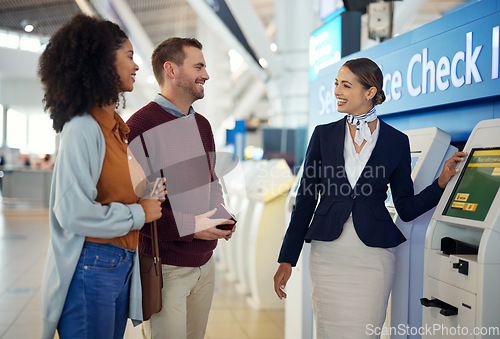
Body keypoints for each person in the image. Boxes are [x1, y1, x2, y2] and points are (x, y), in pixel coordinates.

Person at [273, 58, 467, 339]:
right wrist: (287, 259)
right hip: (328, 255)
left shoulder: (396, 141)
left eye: (346, 85)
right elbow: (305, 201)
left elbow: (406, 207)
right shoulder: (323, 135)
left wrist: (441, 182)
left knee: (368, 332)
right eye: (336, 84)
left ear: (370, 92)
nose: (337, 91)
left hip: (374, 256)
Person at [38, 14, 164, 339]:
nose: (137, 66)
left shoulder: (116, 129)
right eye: (130, 56)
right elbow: (72, 212)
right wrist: (139, 212)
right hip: (93, 266)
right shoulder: (84, 128)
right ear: (103, 61)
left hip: (119, 263)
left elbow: (110, 192)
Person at [127, 37, 236, 339]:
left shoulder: (202, 124)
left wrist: (221, 216)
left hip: (205, 265)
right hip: (167, 269)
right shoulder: (140, 126)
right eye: (199, 66)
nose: (206, 75)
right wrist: (191, 227)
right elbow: (137, 206)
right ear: (171, 69)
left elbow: (211, 182)